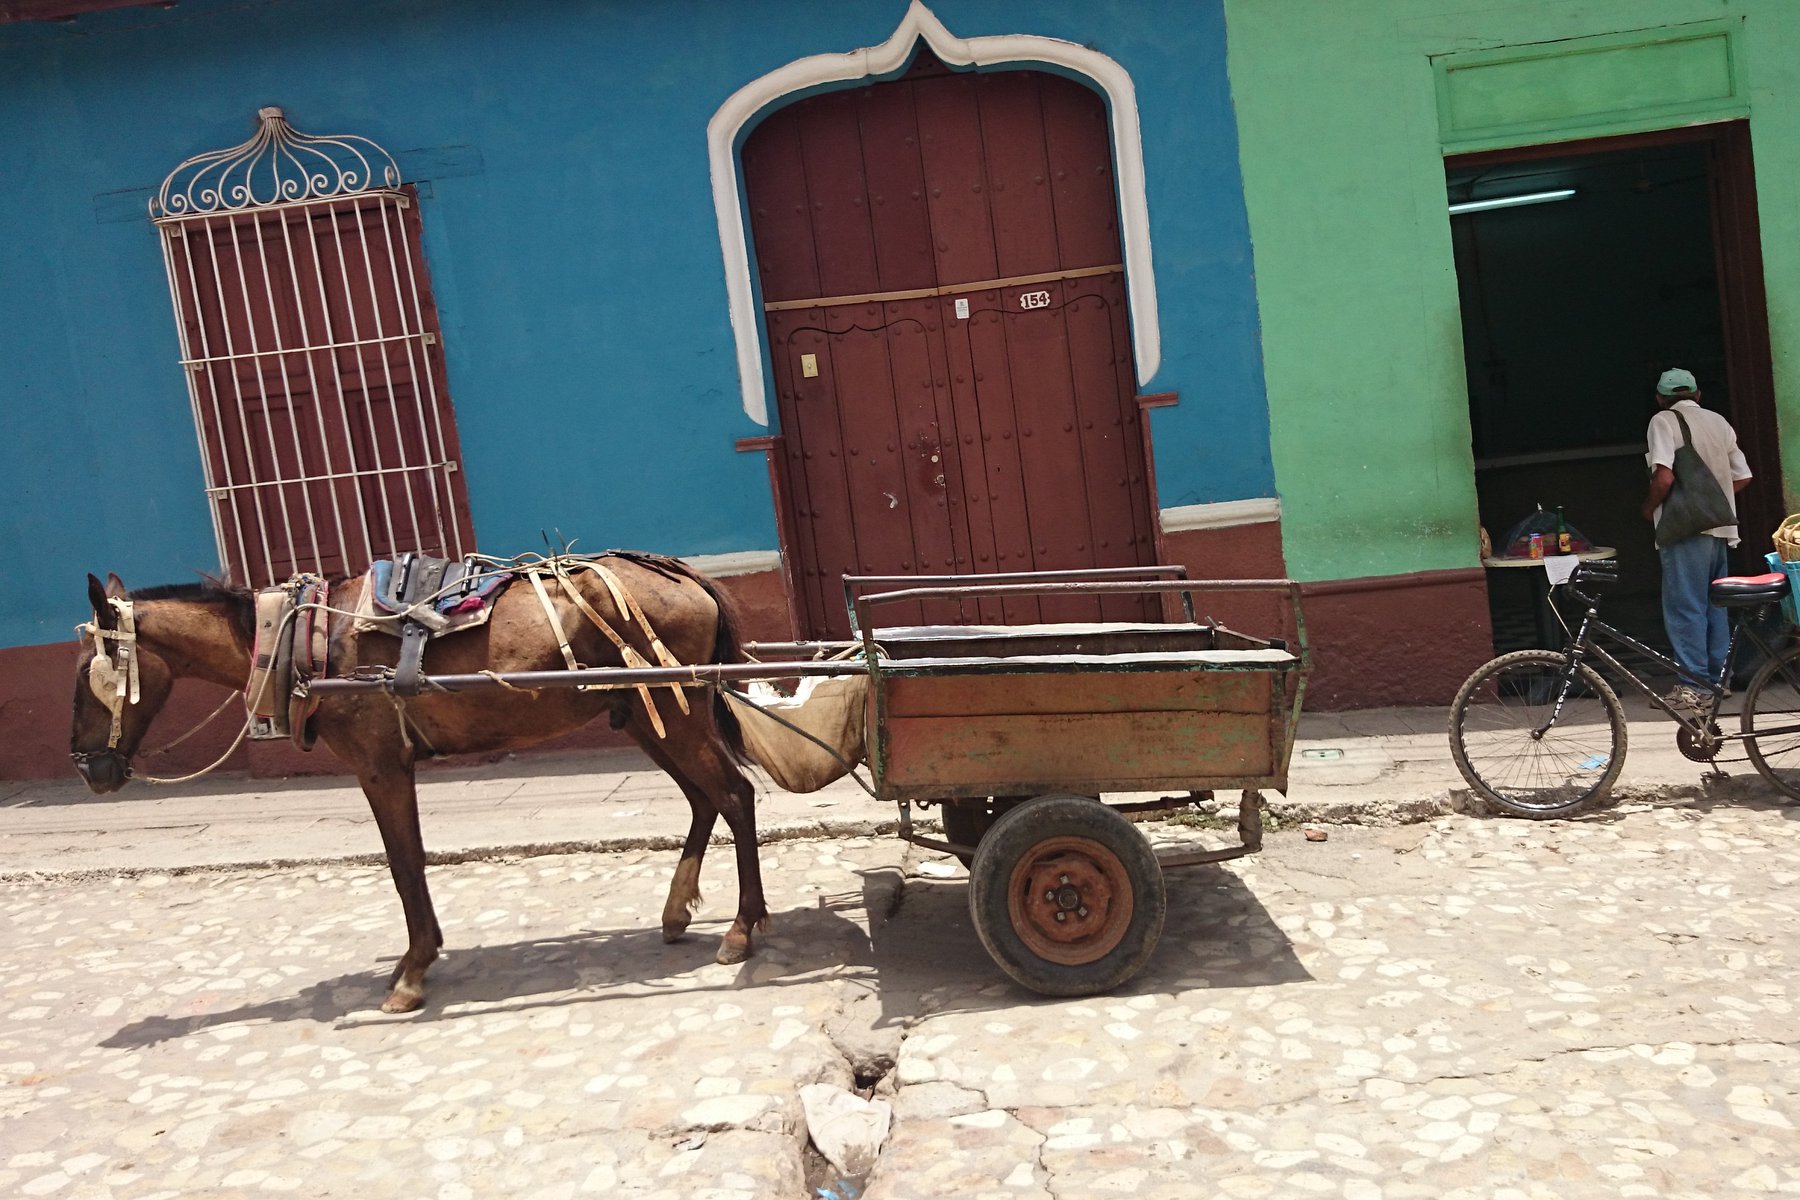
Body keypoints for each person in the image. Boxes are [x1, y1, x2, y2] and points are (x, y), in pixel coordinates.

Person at [1640, 367, 1753, 708]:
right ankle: (1719, 681)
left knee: (1685, 606)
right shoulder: (1719, 422)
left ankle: (1693, 686)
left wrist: (1648, 508)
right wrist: (1711, 501)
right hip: (1720, 528)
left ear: (1660, 398)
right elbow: (1744, 476)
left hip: (1685, 530)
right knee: (1715, 606)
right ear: (1698, 395)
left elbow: (1664, 477)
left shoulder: (1662, 421)